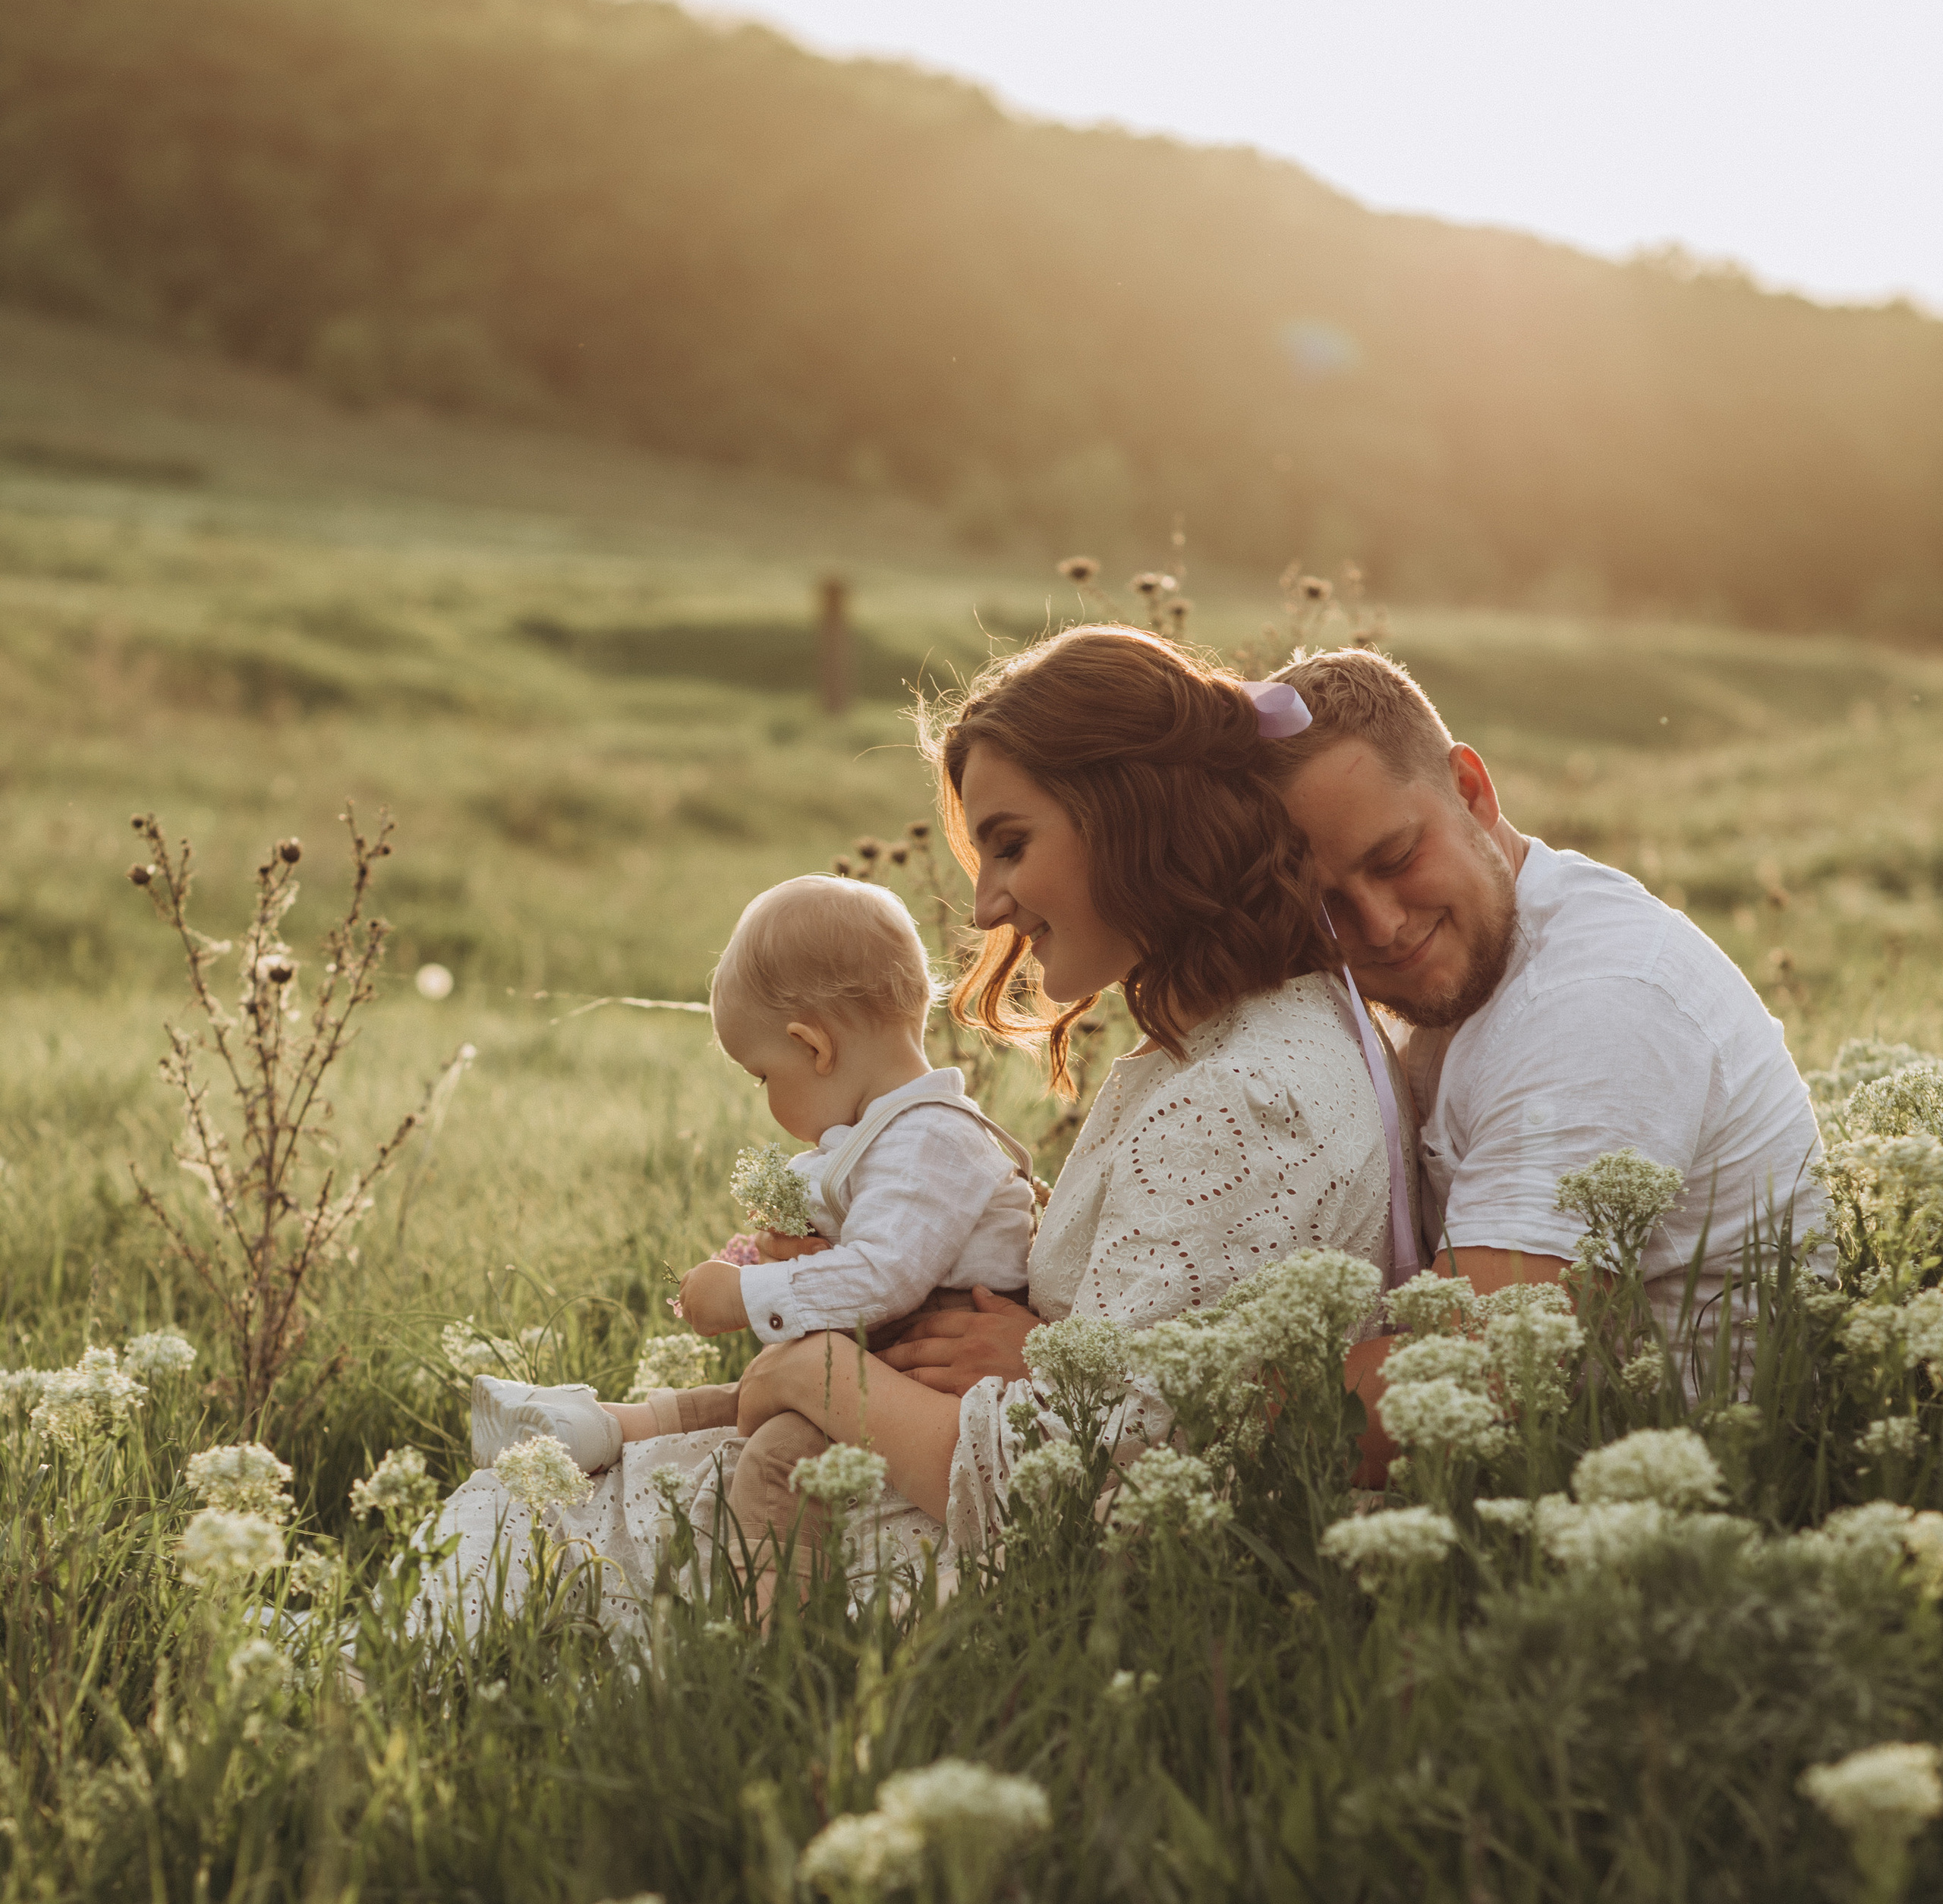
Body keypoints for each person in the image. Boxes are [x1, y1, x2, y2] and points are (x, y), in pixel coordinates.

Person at [416, 625, 1416, 1642]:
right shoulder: (1229, 1050)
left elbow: (1092, 1497)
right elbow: (1161, 1373)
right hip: (969, 1474)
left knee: (528, 1524)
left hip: (1019, 1581)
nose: (987, 904)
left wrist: (822, 1372)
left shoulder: (1244, 1098)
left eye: (1012, 843)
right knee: (535, 1508)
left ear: (1131, 814)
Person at [1247, 647, 1827, 1468]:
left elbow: (1467, 1385)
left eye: (1396, 858)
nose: (1378, 925)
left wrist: (1131, 1399)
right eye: (1326, 902)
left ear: (1472, 790)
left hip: (1683, 1516)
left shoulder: (1597, 1006)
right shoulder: (1483, 961)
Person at [469, 873, 1038, 1577]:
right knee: (752, 1396)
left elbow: (883, 1276)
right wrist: (761, 1254)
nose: (767, 1097)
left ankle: (765, 1643)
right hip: (891, 1358)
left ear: (814, 1047)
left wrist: (746, 1296)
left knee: (774, 1465)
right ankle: (597, 1425)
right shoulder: (876, 1137)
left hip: (934, 1375)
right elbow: (820, 1242)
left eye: (764, 1076)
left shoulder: (932, 1141)